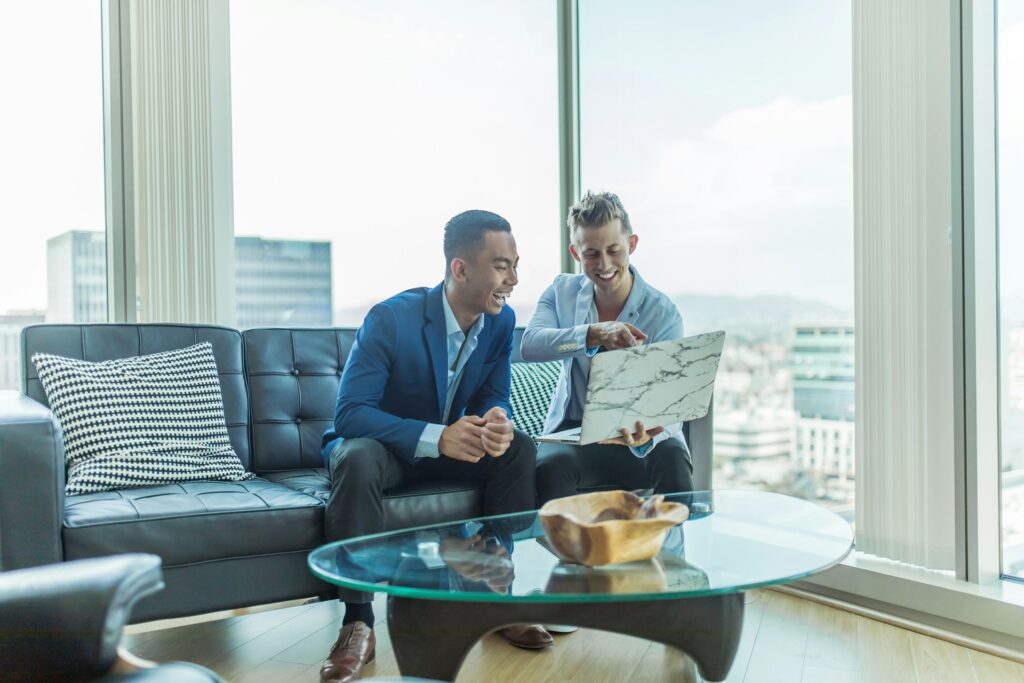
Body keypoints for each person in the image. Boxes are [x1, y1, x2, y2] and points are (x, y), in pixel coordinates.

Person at [318, 210, 548, 683]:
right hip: (386, 452)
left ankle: (494, 592)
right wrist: (435, 435)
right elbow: (350, 415)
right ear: (460, 269)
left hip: (451, 450)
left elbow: (493, 393)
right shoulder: (390, 318)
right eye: (502, 265)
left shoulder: (501, 324)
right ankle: (357, 622)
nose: (514, 279)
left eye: (516, 264)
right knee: (356, 457)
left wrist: (497, 418)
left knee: (518, 449)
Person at [521, 191, 694, 506]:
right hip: (574, 434)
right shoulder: (561, 292)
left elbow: (672, 403)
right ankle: (566, 555)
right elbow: (530, 344)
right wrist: (592, 334)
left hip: (639, 437)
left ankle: (674, 553)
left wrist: (650, 430)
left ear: (632, 244)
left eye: (614, 250)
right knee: (551, 467)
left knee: (673, 459)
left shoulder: (663, 313)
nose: (604, 264)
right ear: (575, 252)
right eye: (591, 254)